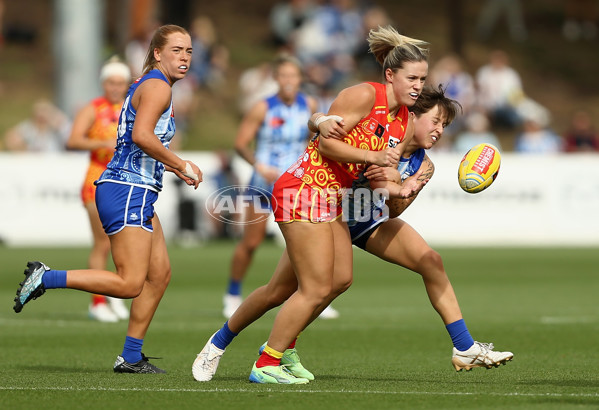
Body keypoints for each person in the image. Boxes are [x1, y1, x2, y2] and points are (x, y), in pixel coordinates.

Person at [192, 86, 514, 383]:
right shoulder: (383, 131)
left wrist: (404, 187)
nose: (439, 131)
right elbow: (325, 147)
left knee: (430, 260)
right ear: (412, 114)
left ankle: (463, 346)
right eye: (436, 121)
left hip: (367, 222)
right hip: (324, 215)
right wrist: (369, 166)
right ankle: (219, 343)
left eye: (444, 126)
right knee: (278, 291)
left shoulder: (424, 165)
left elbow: (395, 210)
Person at [194, 25, 429, 384]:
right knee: (317, 287)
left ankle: (219, 342)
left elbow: (378, 174)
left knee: (324, 283)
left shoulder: (406, 121)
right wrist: (373, 155)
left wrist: (405, 185)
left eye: (422, 79)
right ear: (390, 75)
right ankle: (267, 363)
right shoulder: (365, 95)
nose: (417, 86)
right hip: (303, 188)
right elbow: (325, 145)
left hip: (331, 198)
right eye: (411, 77)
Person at [13, 24, 202, 374]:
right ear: (157, 53)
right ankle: (46, 277)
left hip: (135, 189)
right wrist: (180, 165)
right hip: (127, 188)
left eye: (189, 51)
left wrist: (170, 167)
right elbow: (143, 135)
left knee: (158, 275)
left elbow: (138, 136)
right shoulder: (159, 86)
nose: (185, 57)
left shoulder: (150, 83)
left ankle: (130, 356)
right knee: (131, 282)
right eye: (176, 50)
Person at [222, 53, 322, 318]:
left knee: (304, 243)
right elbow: (241, 143)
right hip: (263, 183)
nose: (289, 80)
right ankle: (232, 293)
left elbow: (316, 141)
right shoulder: (262, 107)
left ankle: (315, 293)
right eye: (284, 76)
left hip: (297, 183)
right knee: (251, 242)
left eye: (293, 75)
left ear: (300, 78)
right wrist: (259, 166)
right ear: (276, 78)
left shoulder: (309, 104)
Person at [65, 57, 132, 322]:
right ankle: (97, 301)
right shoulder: (93, 108)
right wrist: (103, 141)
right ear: (104, 83)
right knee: (103, 242)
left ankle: (116, 292)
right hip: (97, 178)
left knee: (124, 243)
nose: (115, 87)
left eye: (120, 83)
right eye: (111, 82)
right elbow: (73, 139)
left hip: (123, 181)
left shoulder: (131, 107)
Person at [3, 99, 71, 152]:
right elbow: (10, 138)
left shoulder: (57, 127)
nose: (42, 115)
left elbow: (70, 137)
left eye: (45, 111)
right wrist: (23, 149)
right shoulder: (29, 127)